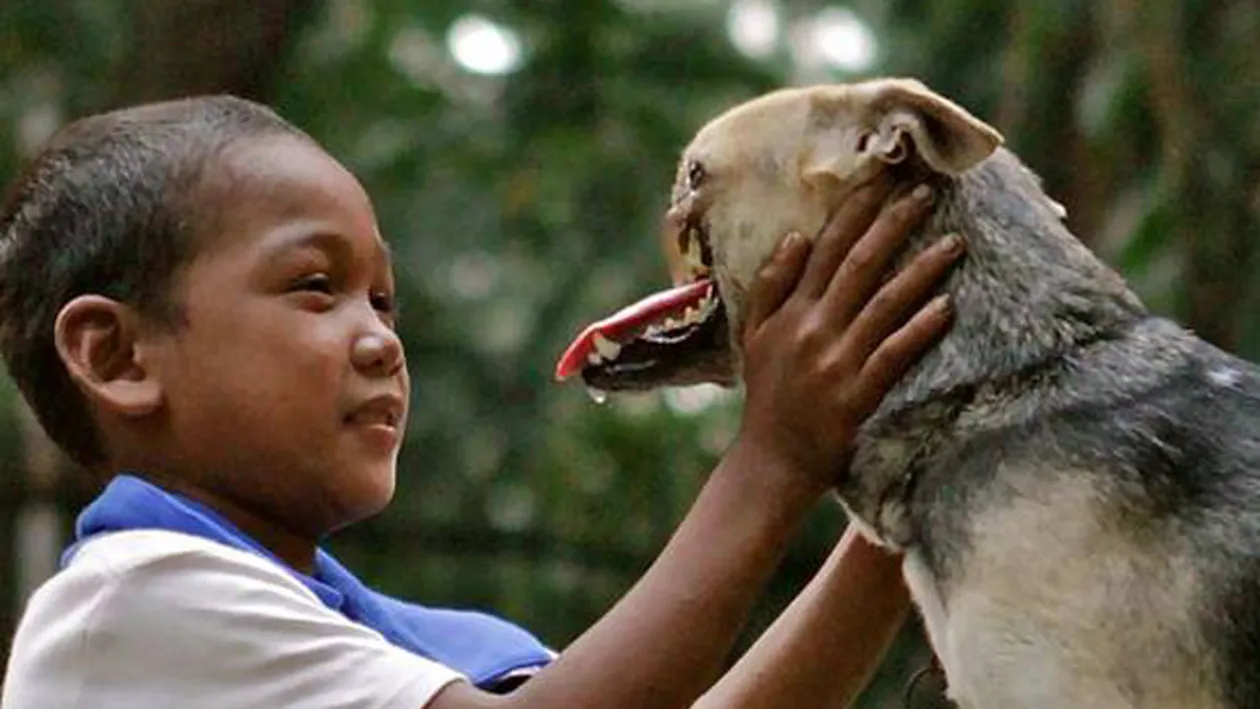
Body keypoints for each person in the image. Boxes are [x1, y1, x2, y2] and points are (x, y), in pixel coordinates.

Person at [0, 95, 959, 709]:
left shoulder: (363, 640)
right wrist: (774, 457)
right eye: (314, 287)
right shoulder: (129, 603)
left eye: (383, 302)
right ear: (117, 355)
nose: (380, 340)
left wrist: (895, 517)